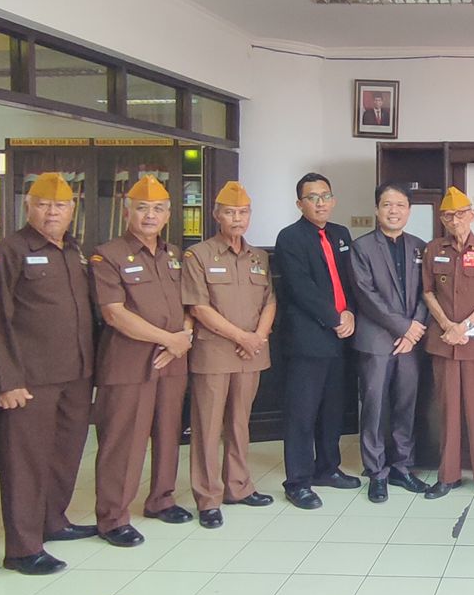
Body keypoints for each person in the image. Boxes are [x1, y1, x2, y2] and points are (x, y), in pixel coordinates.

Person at [0, 172, 95, 576]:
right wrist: (6, 380)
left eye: (60, 205)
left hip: (77, 373)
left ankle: (53, 521)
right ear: (28, 206)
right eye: (44, 204)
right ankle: (23, 547)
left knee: (65, 454)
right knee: (25, 462)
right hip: (31, 377)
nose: (52, 212)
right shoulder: (7, 251)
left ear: (72, 210)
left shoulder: (75, 252)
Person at [90, 175, 193, 547]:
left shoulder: (176, 255)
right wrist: (170, 339)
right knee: (125, 440)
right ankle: (114, 516)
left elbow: (190, 304)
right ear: (126, 210)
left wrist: (185, 337)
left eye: (158, 209)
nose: (150, 216)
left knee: (168, 433)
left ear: (168, 214)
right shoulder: (108, 255)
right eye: (142, 208)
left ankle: (162, 499)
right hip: (130, 362)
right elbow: (115, 314)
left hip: (173, 361)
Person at [182, 181, 277, 530]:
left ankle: (238, 486)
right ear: (216, 214)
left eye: (243, 212)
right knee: (207, 428)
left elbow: (270, 300)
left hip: (251, 353)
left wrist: (258, 337)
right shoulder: (198, 255)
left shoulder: (259, 257)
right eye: (230, 212)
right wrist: (241, 336)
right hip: (214, 353)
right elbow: (198, 306)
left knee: (239, 424)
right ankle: (208, 497)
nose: (237, 219)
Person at [273, 172, 360, 509]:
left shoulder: (340, 234)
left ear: (333, 200)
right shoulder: (290, 237)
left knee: (332, 409)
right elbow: (300, 287)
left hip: (341, 337)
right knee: (301, 413)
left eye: (325, 196)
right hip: (308, 338)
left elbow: (349, 281)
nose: (320, 202)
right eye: (312, 197)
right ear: (300, 203)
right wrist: (335, 317)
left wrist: (350, 311)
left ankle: (328, 468)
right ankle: (297, 481)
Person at [350, 182, 430, 503]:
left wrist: (416, 329)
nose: (393, 211)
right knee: (374, 407)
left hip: (411, 343)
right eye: (387, 205)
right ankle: (376, 471)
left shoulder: (420, 247)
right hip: (376, 341)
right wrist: (405, 328)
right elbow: (366, 295)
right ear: (377, 209)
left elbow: (429, 292)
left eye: (400, 205)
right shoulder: (362, 248)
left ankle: (401, 466)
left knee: (405, 405)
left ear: (409, 211)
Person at [421, 187, 474, 501]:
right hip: (443, 340)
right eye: (449, 215)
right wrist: (447, 325)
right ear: (442, 218)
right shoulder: (432, 250)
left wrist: (464, 327)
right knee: (448, 410)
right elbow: (427, 292)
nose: (456, 220)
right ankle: (448, 475)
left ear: (473, 215)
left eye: (461, 214)